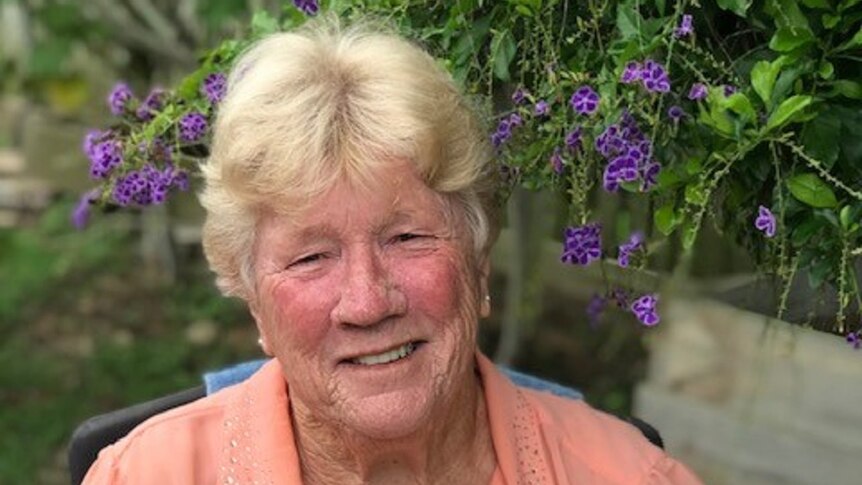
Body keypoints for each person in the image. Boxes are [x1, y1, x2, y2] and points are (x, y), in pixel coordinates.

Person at [82, 16, 703, 485]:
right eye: (310, 258)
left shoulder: (627, 474)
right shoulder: (145, 474)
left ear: (479, 261)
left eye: (407, 237)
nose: (367, 301)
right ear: (253, 303)